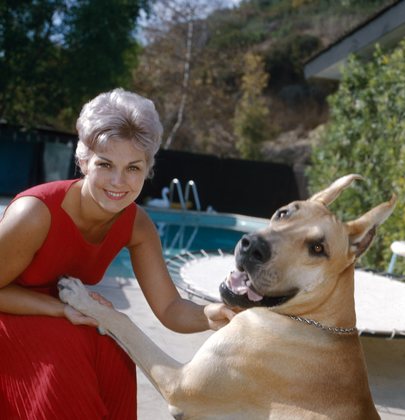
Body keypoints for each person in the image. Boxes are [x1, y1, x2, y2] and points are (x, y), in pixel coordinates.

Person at [0, 88, 236, 419]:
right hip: (10, 316)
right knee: (70, 350)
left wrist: (210, 315)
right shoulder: (35, 213)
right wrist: (59, 310)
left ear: (148, 169)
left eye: (133, 168)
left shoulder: (138, 225)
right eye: (105, 164)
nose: (118, 181)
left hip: (69, 312)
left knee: (114, 351)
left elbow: (169, 308)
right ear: (83, 161)